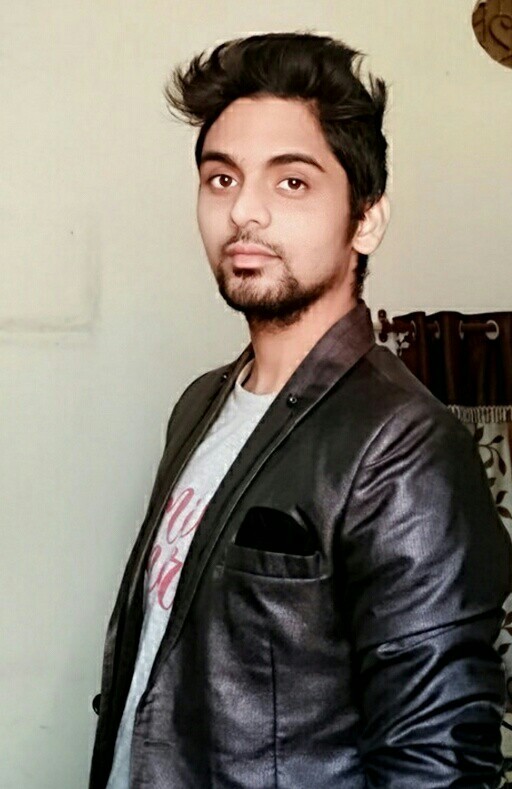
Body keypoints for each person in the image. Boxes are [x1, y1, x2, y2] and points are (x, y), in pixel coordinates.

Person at [89, 32, 512, 789]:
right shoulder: (200, 403)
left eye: (291, 182)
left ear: (365, 219)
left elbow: (435, 762)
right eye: (222, 179)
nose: (243, 212)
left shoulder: (404, 444)